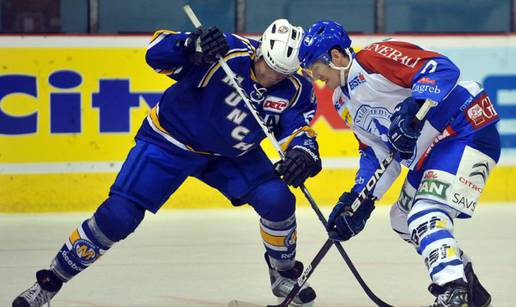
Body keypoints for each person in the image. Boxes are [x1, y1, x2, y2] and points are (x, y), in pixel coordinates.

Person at [13, 19, 322, 307]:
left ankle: (282, 274)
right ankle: (51, 281)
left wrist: (304, 153)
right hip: (170, 141)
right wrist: (190, 45)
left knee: (278, 199)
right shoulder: (226, 50)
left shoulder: (297, 88)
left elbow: (298, 129)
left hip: (230, 154)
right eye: (269, 67)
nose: (272, 77)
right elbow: (155, 51)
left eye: (282, 73)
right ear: (261, 50)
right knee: (119, 216)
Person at [298, 20, 499, 307]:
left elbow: (442, 69)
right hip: (432, 151)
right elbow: (377, 154)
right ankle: (467, 284)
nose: (318, 80)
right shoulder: (341, 101)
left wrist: (414, 106)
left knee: (424, 213)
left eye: (317, 71)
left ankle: (453, 291)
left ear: (336, 56)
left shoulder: (373, 58)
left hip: (463, 126)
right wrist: (359, 200)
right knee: (402, 219)